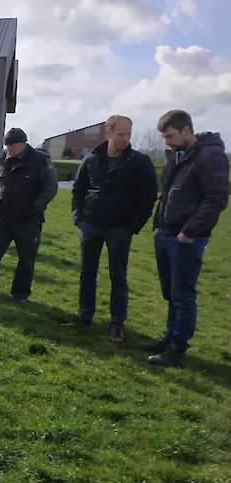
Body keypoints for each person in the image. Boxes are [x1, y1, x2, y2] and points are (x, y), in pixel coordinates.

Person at [145, 110, 229, 366]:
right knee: (171, 292)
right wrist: (159, 226)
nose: (167, 142)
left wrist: (189, 232)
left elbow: (216, 198)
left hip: (186, 238)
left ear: (186, 131)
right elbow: (168, 193)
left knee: (182, 294)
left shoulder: (210, 155)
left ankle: (177, 349)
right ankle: (169, 337)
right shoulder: (177, 155)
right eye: (164, 137)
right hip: (166, 232)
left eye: (170, 136)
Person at [69, 115, 158, 343]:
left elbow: (148, 197)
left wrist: (132, 227)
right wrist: (79, 219)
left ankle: (117, 324)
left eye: (129, 134)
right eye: (121, 133)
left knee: (118, 276)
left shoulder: (139, 162)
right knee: (87, 272)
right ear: (107, 132)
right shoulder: (91, 160)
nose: (126, 138)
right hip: (91, 225)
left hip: (120, 228)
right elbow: (78, 190)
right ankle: (84, 315)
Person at [0, 128, 58, 300]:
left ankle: (20, 293)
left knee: (26, 259)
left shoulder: (39, 161)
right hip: (4, 217)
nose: (8, 148)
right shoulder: (3, 160)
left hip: (29, 219)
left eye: (12, 144)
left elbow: (51, 188)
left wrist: (35, 206)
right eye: (6, 144)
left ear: (23, 143)